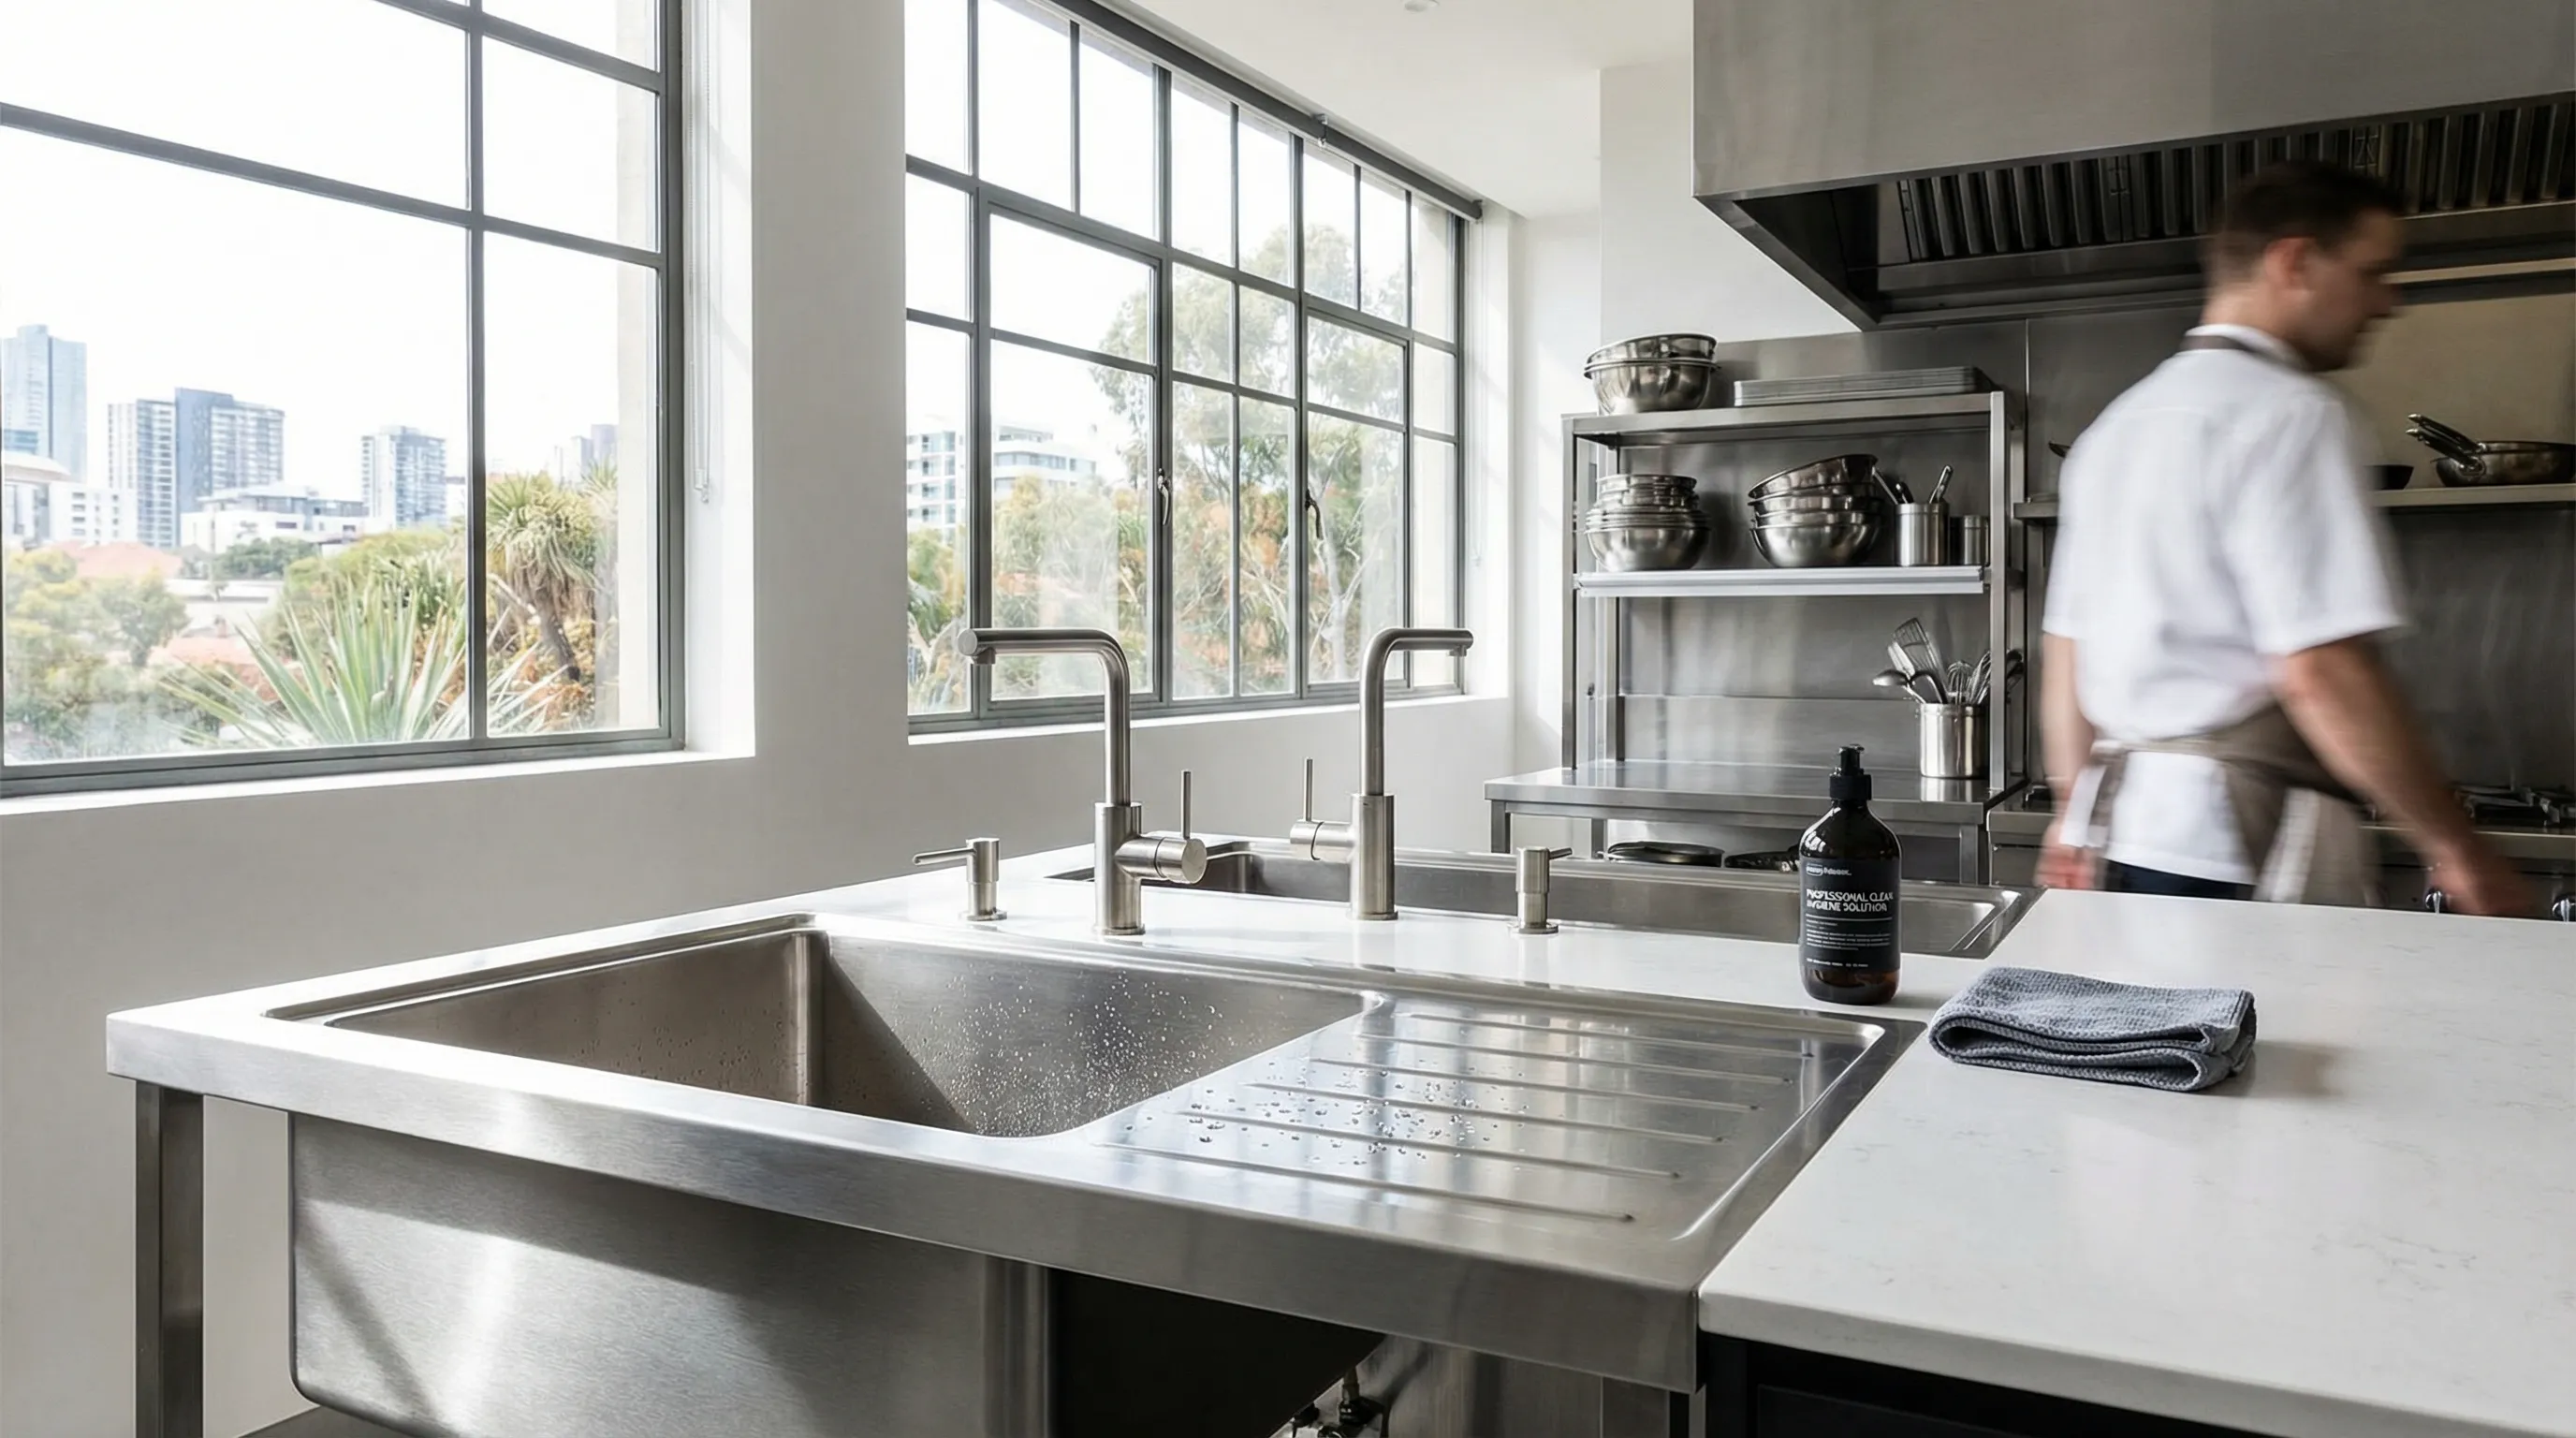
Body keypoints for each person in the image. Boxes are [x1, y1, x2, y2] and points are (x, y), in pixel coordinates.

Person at [2038, 160, 2528, 915]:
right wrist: (2454, 846)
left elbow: (2068, 652)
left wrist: (2072, 817)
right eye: (2373, 272)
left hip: (2125, 840)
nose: (2387, 302)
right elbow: (2320, 668)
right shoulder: (2291, 413)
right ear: (2295, 262)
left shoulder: (2118, 426)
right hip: (2241, 849)